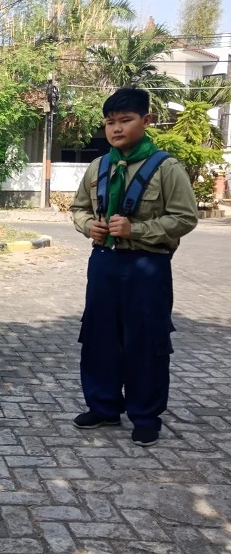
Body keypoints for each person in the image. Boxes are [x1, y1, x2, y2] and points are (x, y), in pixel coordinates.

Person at [71, 87, 198, 448]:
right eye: (111, 122)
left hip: (148, 265)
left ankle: (145, 415)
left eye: (125, 120)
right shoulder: (99, 166)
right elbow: (79, 208)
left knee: (145, 340)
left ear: (146, 120)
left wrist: (137, 229)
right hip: (104, 263)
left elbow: (185, 218)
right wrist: (87, 226)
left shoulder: (166, 167)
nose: (116, 129)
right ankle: (104, 406)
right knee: (98, 336)